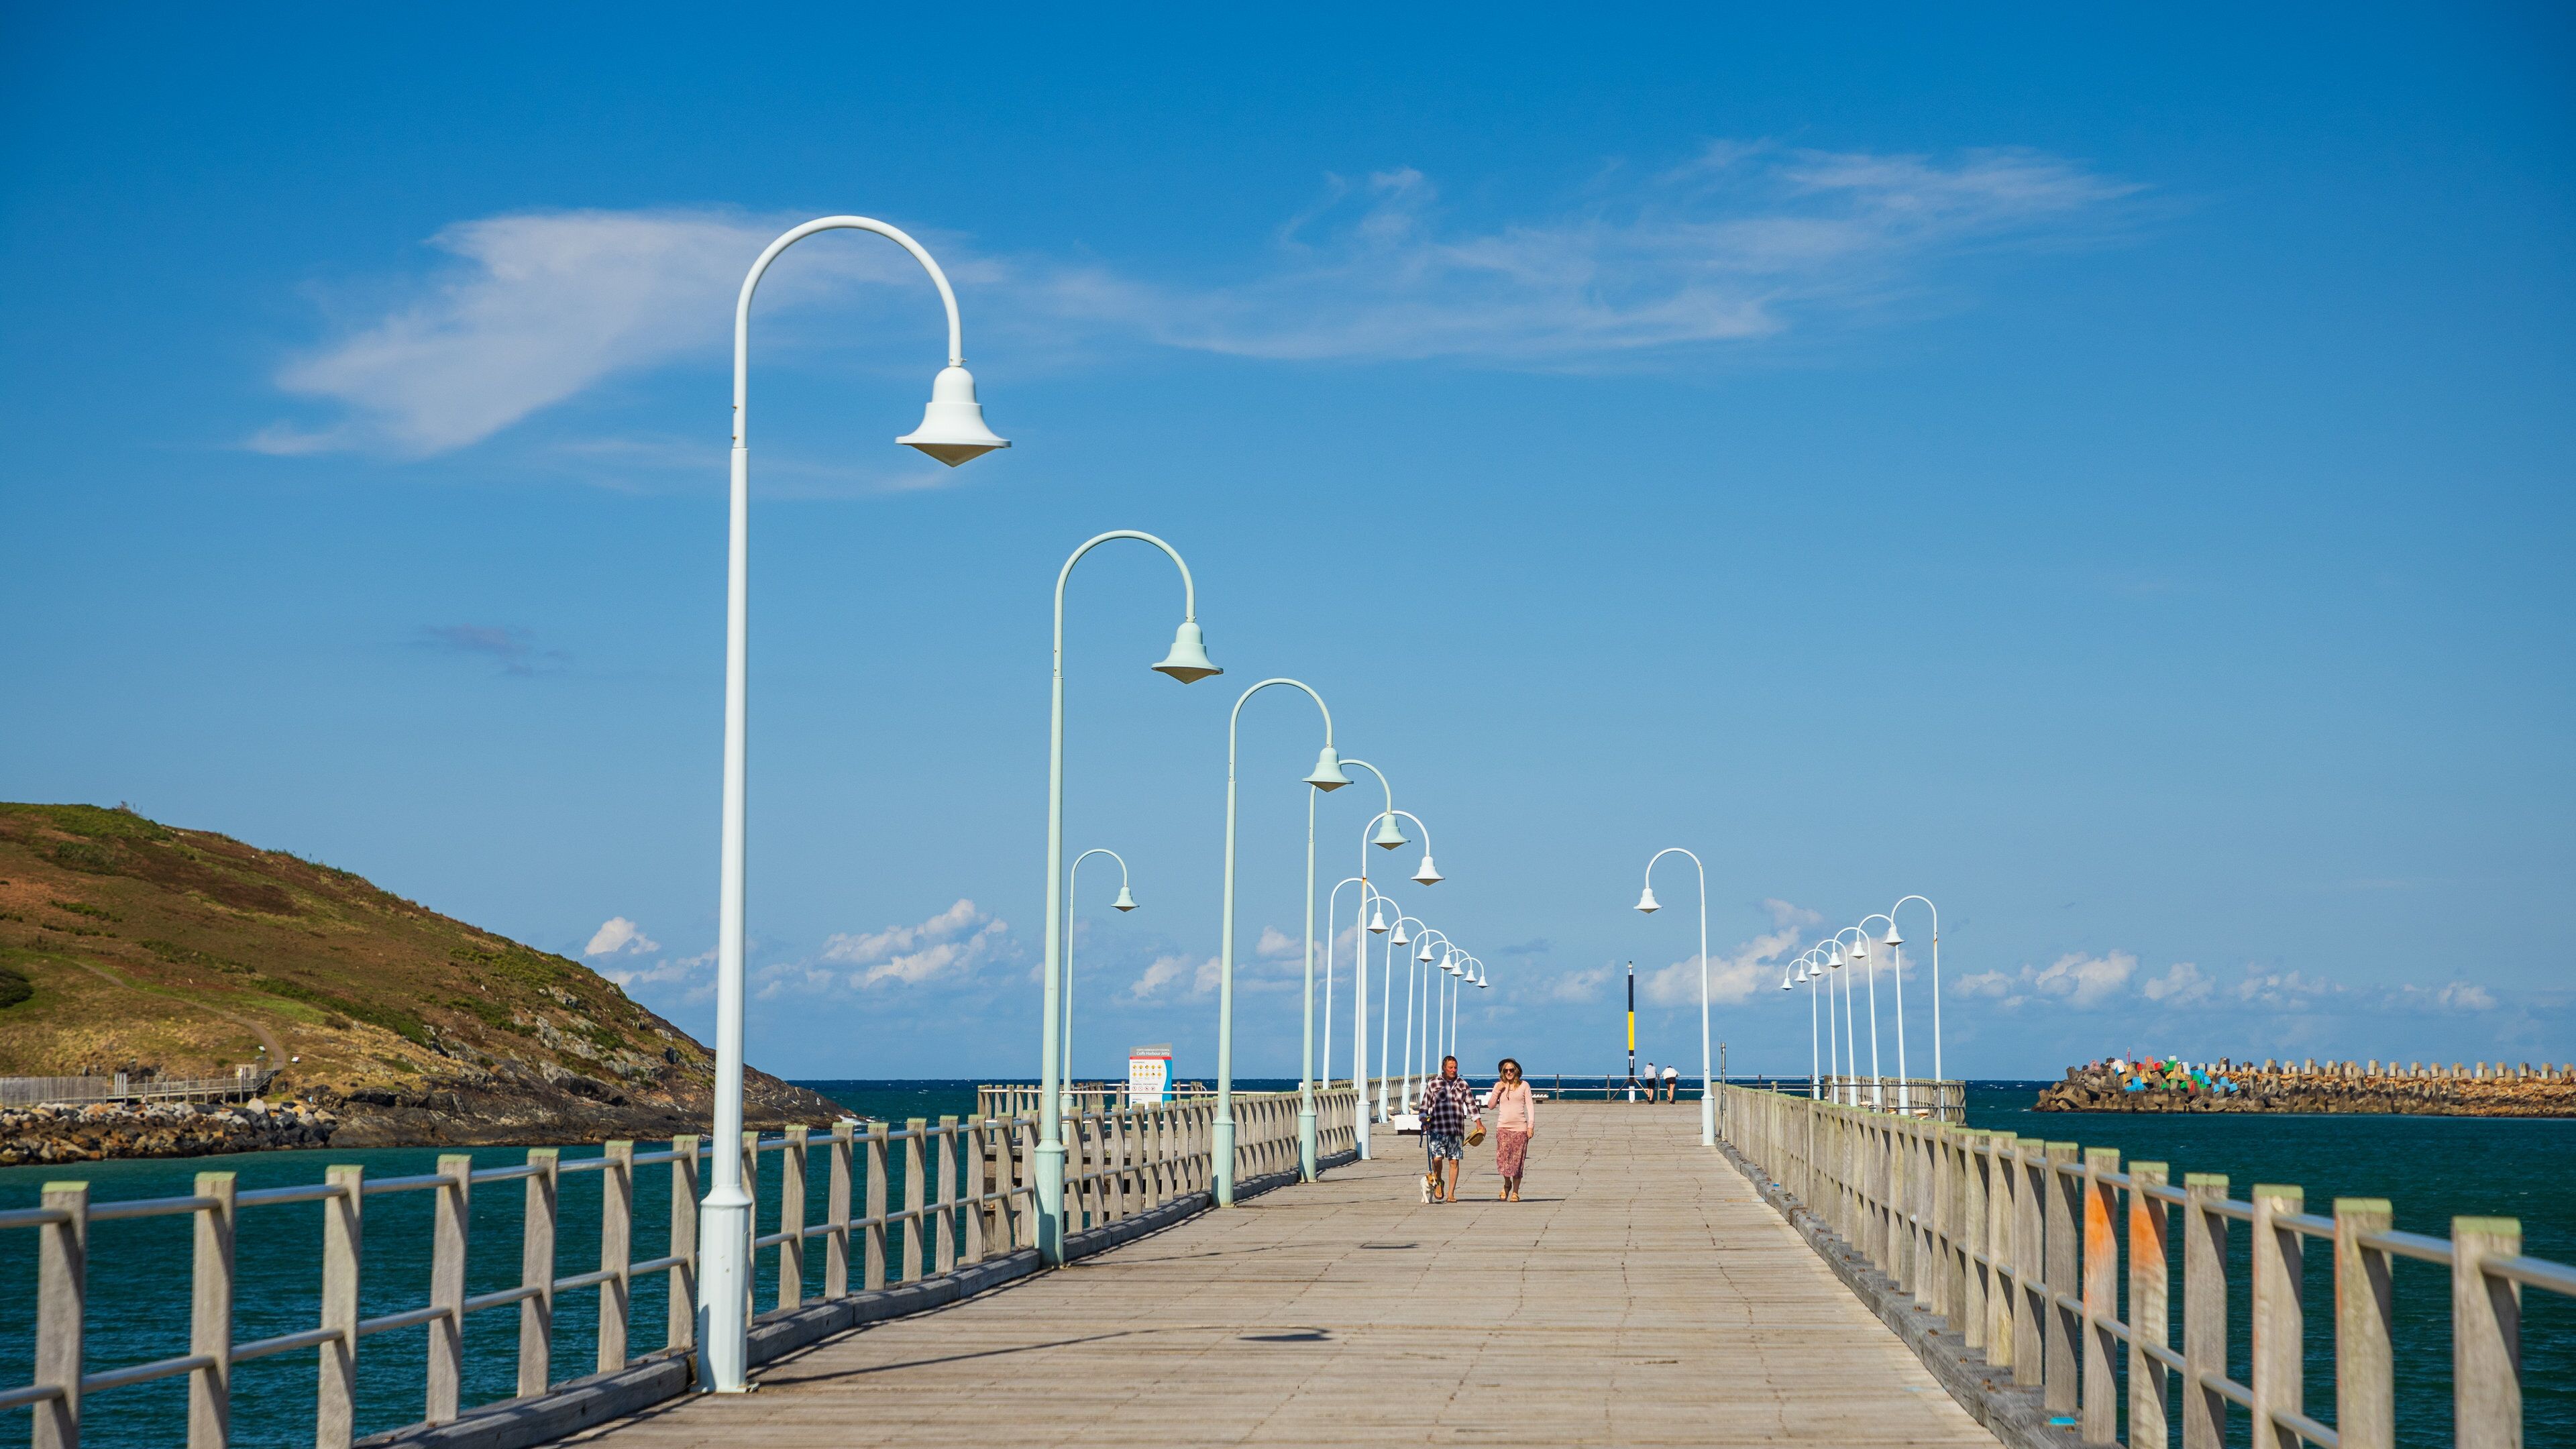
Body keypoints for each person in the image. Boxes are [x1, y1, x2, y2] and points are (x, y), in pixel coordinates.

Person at [1415, 1054, 1481, 1203]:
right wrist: (1424, 1119)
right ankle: (1437, 1181)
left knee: (1454, 1162)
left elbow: (1471, 1105)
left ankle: (1451, 1194)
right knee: (1437, 1159)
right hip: (1437, 1129)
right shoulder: (1434, 1084)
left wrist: (1478, 1123)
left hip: (1456, 1130)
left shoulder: (1463, 1085)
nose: (1453, 1070)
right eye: (1450, 1067)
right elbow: (1424, 1106)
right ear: (1444, 1068)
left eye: (1455, 1067)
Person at [1490, 1057, 1536, 1201]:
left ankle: (1515, 1192)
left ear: (1517, 1071)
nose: (1509, 1072)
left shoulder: (1524, 1086)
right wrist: (1497, 1091)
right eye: (1506, 1070)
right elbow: (1491, 1106)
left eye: (1511, 1070)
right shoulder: (1499, 1085)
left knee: (1517, 1162)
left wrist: (1530, 1126)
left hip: (1520, 1128)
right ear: (1502, 1072)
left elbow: (1530, 1106)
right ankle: (1507, 1183)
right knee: (1503, 1160)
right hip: (1503, 1127)